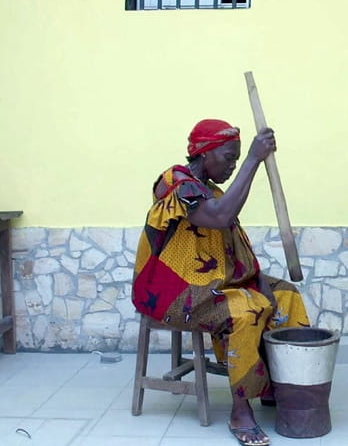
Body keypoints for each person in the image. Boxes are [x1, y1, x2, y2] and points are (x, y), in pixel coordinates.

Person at [132, 118, 309, 446]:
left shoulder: (210, 190)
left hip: (212, 282)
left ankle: (279, 386)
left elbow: (232, 243)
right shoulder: (175, 183)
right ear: (204, 153)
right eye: (229, 157)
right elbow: (218, 217)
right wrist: (255, 159)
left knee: (286, 296)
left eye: (238, 158)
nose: (233, 165)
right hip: (173, 291)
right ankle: (240, 410)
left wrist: (256, 280)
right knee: (247, 308)